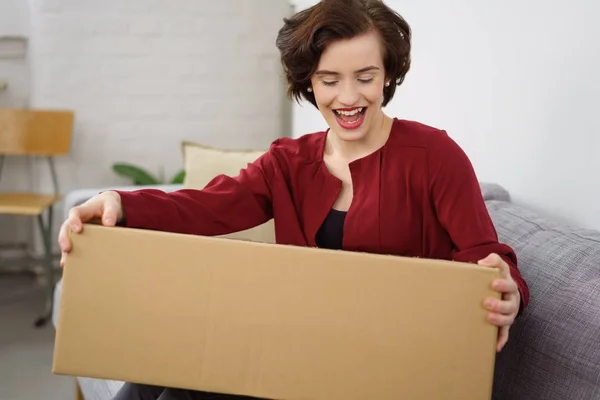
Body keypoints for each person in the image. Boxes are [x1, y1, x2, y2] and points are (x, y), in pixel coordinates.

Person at [58, 1, 529, 399]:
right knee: (153, 374)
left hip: (386, 372)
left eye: (365, 77)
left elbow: (485, 256)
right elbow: (206, 207)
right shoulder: (288, 161)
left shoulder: (434, 156)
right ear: (309, 82)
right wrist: (117, 200)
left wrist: (507, 291)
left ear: (388, 76)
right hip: (298, 354)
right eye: (329, 80)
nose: (349, 97)